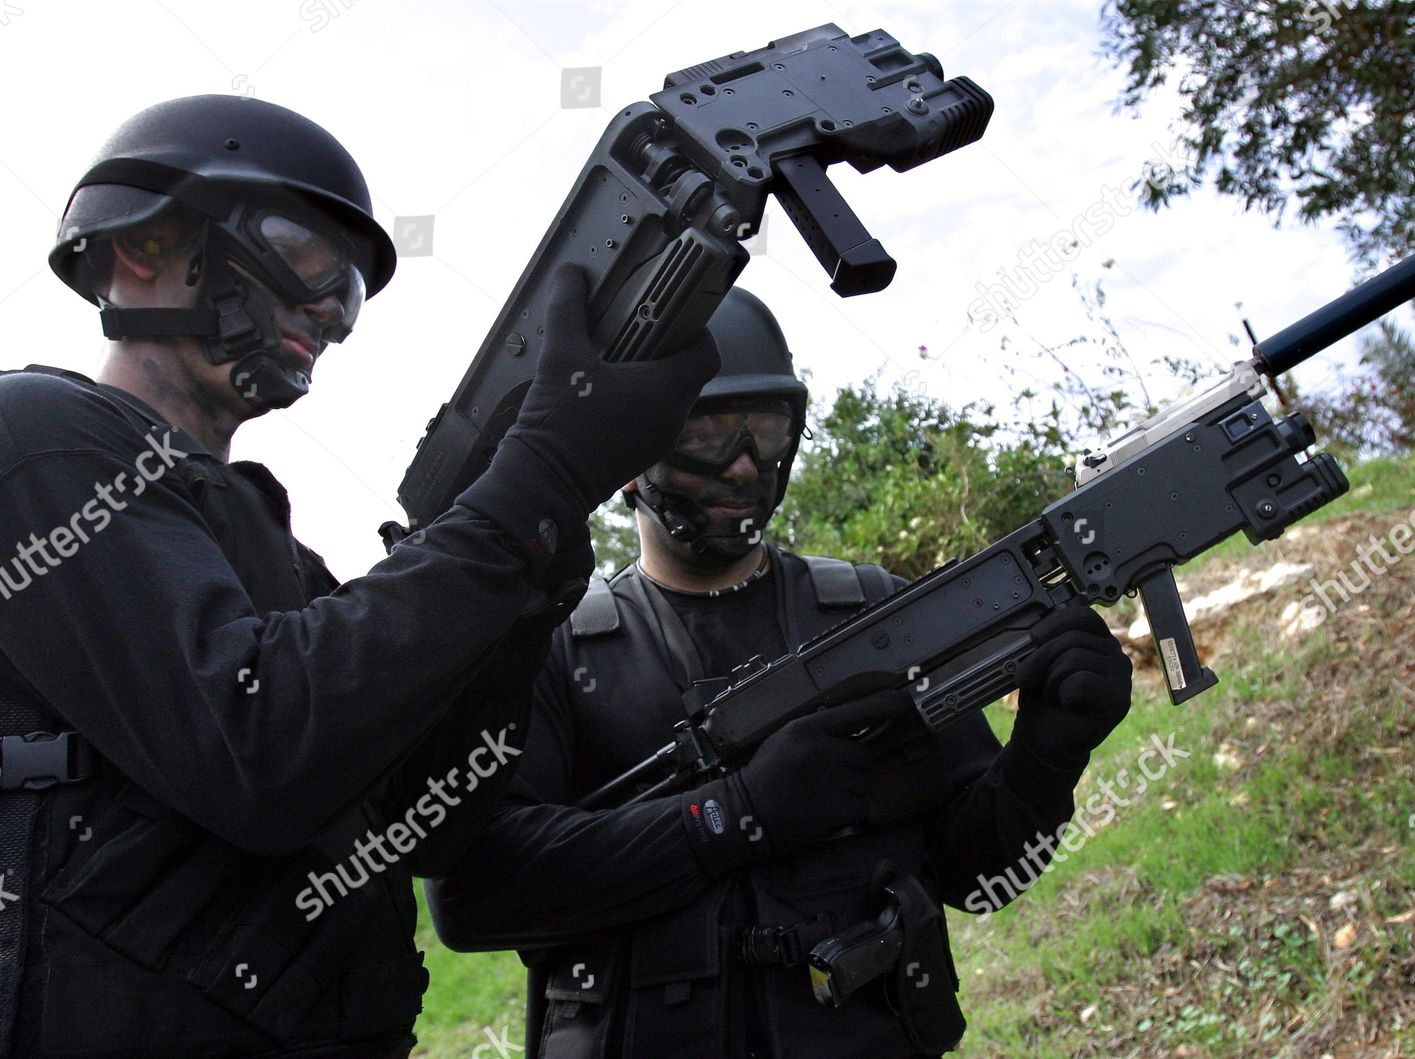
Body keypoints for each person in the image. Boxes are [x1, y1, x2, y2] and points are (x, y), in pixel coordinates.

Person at [0, 95, 716, 1058]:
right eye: (304, 257)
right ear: (142, 247)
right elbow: (259, 753)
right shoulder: (38, 438)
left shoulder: (269, 544)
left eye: (350, 291)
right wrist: (533, 483)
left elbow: (419, 821)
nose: (330, 314)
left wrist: (522, 600)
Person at [427, 289, 1135, 1058]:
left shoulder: (878, 614)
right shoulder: (554, 652)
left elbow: (979, 873)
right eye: (702, 433)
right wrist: (735, 813)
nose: (742, 465)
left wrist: (1047, 752)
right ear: (627, 460)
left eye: (763, 431)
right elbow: (472, 898)